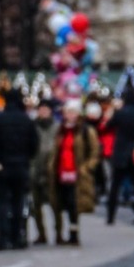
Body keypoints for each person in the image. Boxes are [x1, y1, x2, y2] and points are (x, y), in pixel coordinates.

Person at [0, 88, 39, 250]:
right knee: (18, 202)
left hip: (2, 166)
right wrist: (26, 158)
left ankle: (3, 237)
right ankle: (17, 236)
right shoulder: (27, 120)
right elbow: (34, 143)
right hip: (21, 165)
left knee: (1, 203)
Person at [48, 99, 98, 245]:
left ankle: (73, 233)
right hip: (60, 171)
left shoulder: (85, 131)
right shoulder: (60, 130)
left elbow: (94, 152)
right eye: (67, 112)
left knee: (74, 204)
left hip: (77, 173)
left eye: (72, 112)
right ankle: (59, 233)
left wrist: (86, 167)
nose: (70, 115)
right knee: (59, 203)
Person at [104, 83, 134, 225]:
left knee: (115, 187)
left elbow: (108, 125)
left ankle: (110, 216)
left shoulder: (121, 113)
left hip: (121, 153)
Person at [28, 100, 59, 244]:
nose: (43, 112)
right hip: (35, 169)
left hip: (52, 171)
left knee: (55, 204)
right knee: (35, 205)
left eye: (46, 109)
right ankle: (41, 233)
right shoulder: (31, 127)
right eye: (41, 109)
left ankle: (58, 233)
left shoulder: (57, 127)